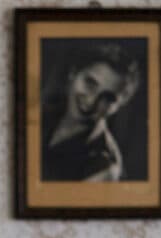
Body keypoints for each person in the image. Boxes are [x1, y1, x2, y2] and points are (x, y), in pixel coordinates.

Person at [40, 41, 146, 183]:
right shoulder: (42, 112)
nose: (91, 101)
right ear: (73, 73)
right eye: (90, 83)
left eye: (108, 97)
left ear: (118, 106)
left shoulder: (102, 168)